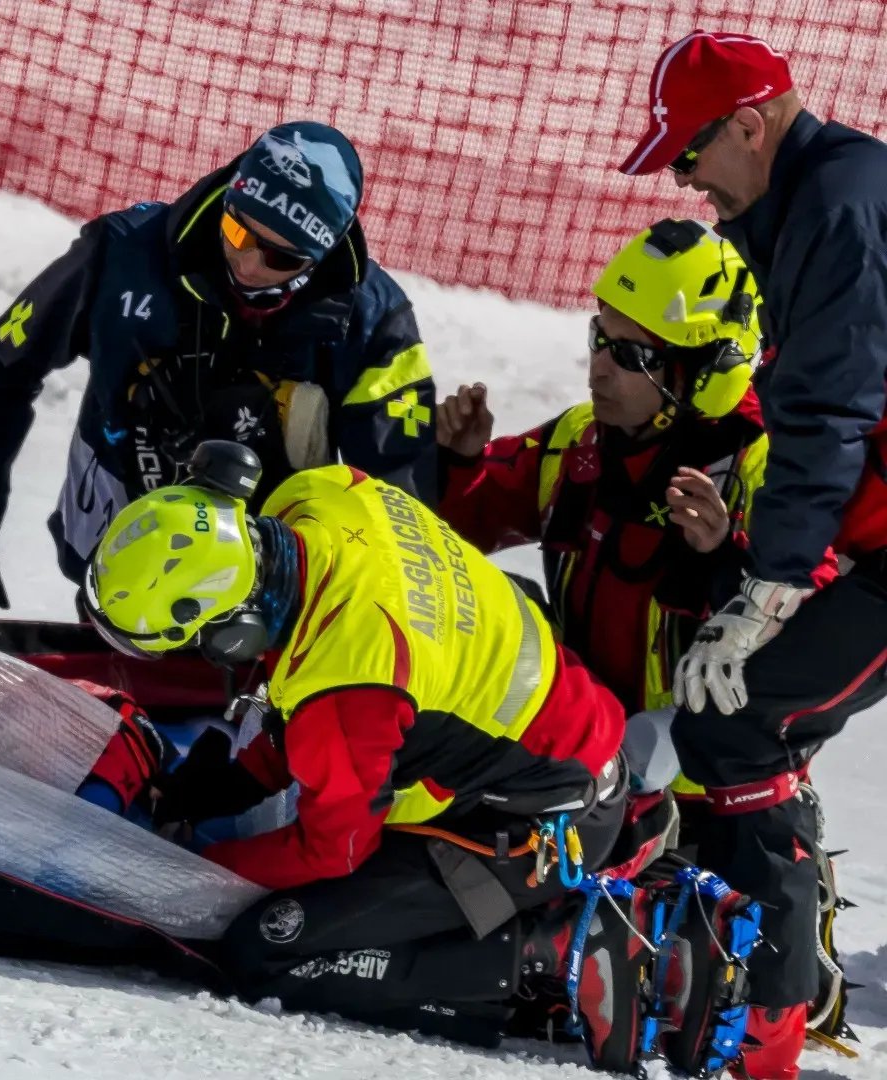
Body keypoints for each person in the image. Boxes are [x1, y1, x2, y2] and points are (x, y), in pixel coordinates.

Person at [80, 457, 650, 1063]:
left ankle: (551, 947)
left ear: (232, 635)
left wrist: (201, 869)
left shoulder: (350, 689)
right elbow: (309, 695)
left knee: (264, 949)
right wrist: (225, 787)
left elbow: (334, 850)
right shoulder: (317, 493)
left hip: (547, 824)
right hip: (565, 730)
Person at [617, 32, 887, 1077]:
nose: (686, 183)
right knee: (748, 726)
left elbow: (828, 410)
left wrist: (773, 583)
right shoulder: (817, 199)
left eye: (689, 156)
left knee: (741, 726)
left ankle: (767, 1040)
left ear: (747, 125)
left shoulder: (837, 207)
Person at [0, 121, 437, 613]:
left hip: (275, 594)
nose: (248, 264)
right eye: (238, 230)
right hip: (117, 558)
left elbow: (400, 503)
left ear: (321, 256)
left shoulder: (377, 324)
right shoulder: (122, 252)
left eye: (280, 259)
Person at [436, 218, 784, 719]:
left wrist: (719, 559)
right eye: (600, 338)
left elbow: (799, 641)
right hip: (579, 738)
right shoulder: (578, 438)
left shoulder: (762, 469)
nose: (597, 367)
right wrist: (461, 461)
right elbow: (464, 532)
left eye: (630, 355)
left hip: (699, 773)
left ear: (703, 372)